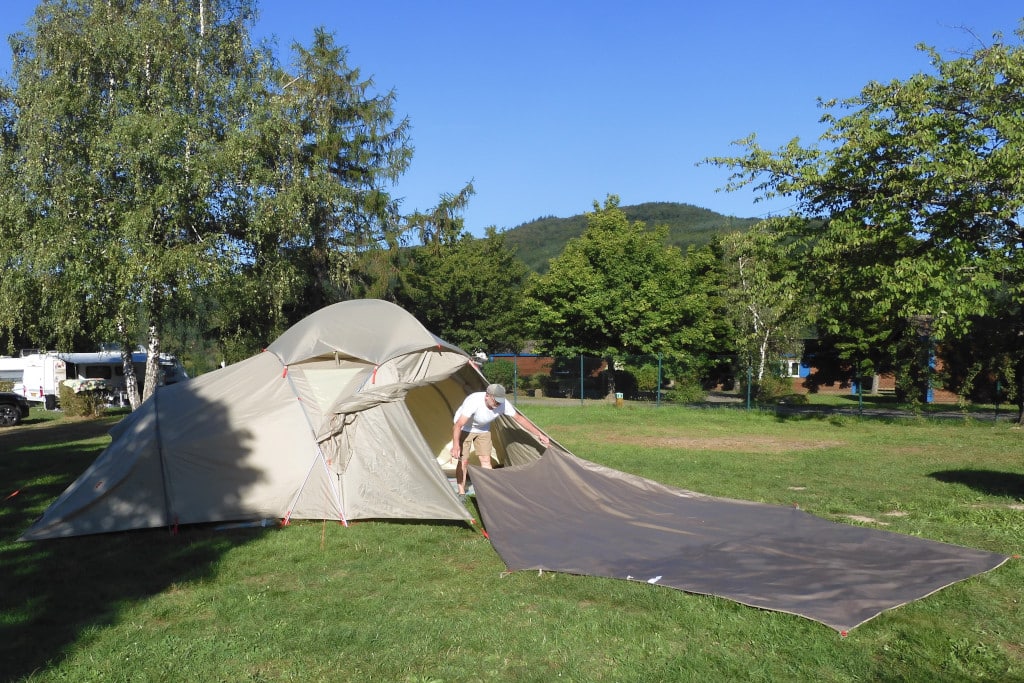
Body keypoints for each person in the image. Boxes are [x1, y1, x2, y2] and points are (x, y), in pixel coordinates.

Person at [451, 383, 550, 496]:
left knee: (486, 460)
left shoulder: (502, 404)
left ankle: (488, 491)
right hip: (464, 428)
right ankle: (461, 492)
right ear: (487, 396)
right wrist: (455, 445)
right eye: (495, 401)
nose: (498, 404)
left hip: (483, 430)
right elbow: (458, 425)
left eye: (500, 401)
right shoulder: (474, 401)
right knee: (463, 461)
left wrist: (539, 434)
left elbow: (520, 419)